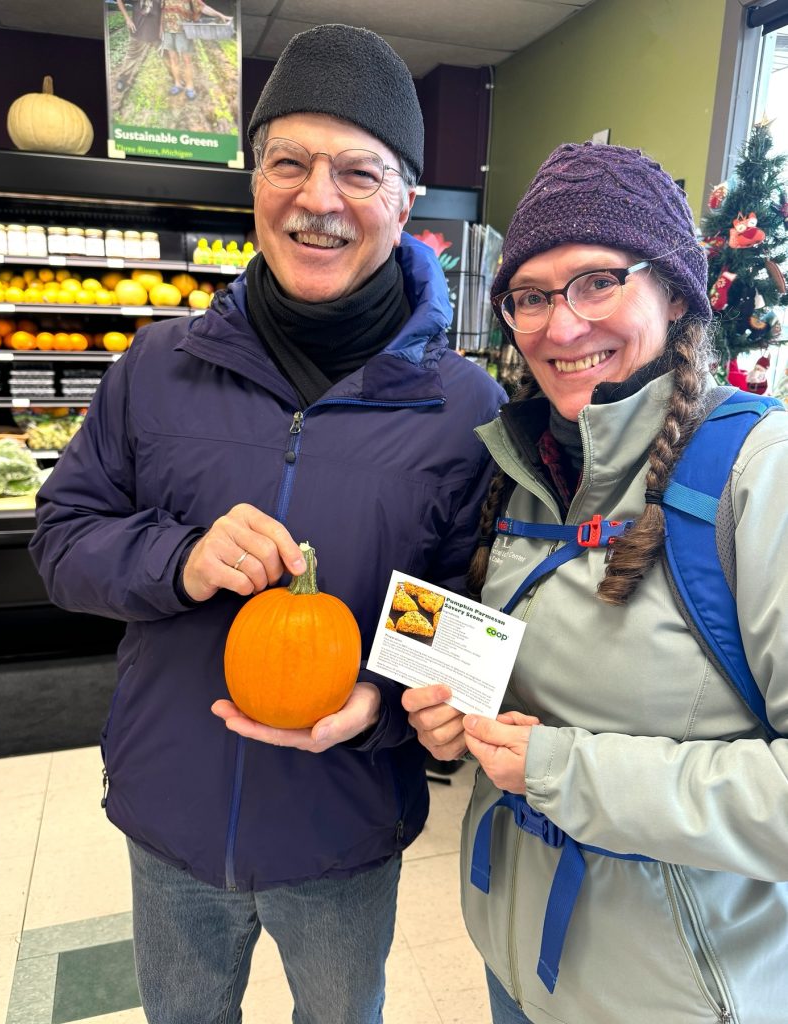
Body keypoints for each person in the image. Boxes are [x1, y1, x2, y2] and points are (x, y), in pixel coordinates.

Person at [29, 23, 505, 1024]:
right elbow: (61, 538)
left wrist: (382, 694)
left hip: (343, 829)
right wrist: (179, 557)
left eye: (356, 171)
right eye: (288, 161)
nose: (318, 199)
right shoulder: (157, 369)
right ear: (254, 181)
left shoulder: (465, 408)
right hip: (172, 819)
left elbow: (473, 608)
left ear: (406, 201)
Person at [404, 142, 788, 1024]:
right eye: (529, 296)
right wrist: (455, 716)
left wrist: (560, 769)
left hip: (676, 997)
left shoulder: (757, 476)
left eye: (594, 282)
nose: (558, 325)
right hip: (517, 964)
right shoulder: (522, 467)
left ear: (674, 293)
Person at [160, 0, 232, 100]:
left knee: (186, 61)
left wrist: (220, 15)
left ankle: (190, 87)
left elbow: (203, 7)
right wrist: (161, 28)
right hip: (168, 31)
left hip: (184, 31)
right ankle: (178, 84)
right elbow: (162, 11)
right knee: (173, 59)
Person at [113, 0, 164, 95]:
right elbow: (119, 1)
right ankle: (123, 79)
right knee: (131, 57)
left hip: (155, 33)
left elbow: (163, 10)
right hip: (138, 32)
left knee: (165, 55)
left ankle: (175, 79)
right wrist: (127, 19)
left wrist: (161, 27)